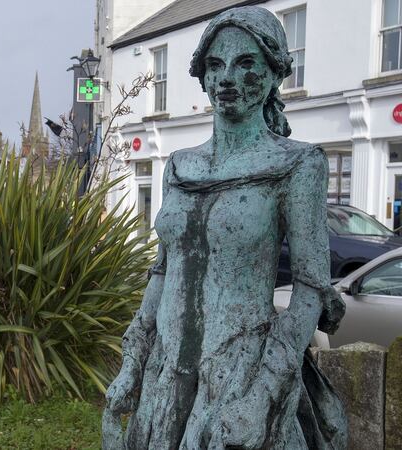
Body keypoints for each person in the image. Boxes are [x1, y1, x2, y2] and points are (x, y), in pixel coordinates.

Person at [103, 7, 347, 449]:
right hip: (168, 373)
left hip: (241, 372)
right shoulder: (179, 167)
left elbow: (311, 291)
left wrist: (262, 397)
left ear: (274, 74)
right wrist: (132, 364)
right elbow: (162, 273)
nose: (227, 78)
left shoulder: (296, 164)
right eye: (215, 65)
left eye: (245, 63)